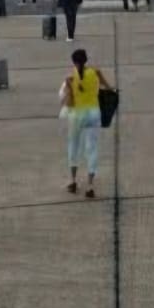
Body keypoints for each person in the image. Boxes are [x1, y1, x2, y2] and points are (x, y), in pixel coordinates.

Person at [60, 48, 114, 198]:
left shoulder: (70, 77)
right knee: (92, 148)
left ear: (74, 62)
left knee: (74, 146)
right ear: (86, 60)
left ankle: (73, 181)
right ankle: (90, 186)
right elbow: (107, 86)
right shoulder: (95, 72)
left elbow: (65, 99)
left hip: (77, 115)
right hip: (94, 113)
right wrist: (111, 89)